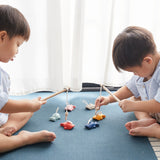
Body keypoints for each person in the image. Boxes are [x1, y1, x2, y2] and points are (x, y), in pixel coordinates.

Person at [0, 5, 56, 153]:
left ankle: (6, 131)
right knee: (28, 106)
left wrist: (29, 106)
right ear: (2, 37)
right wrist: (28, 105)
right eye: (17, 44)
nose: (17, 51)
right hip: (2, 111)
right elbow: (3, 105)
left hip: (2, 117)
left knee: (28, 109)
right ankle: (23, 139)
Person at [95, 26, 160, 138]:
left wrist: (134, 106)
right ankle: (147, 120)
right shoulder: (145, 68)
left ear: (148, 61)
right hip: (154, 111)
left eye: (134, 71)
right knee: (134, 98)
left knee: (134, 103)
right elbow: (130, 88)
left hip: (157, 106)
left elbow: (158, 105)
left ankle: (155, 131)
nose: (134, 75)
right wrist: (109, 99)